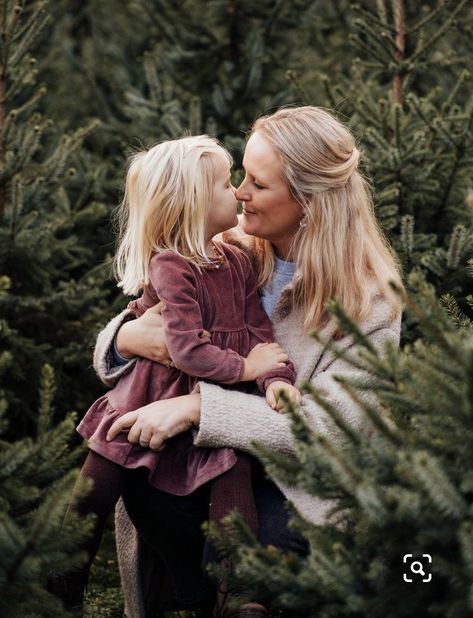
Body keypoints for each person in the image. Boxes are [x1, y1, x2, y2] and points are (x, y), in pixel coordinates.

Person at [95, 106, 404, 618]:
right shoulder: (226, 248)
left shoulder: (368, 302)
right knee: (148, 493)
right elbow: (129, 337)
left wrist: (199, 409)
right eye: (238, 176)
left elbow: (330, 429)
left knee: (268, 544)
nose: (238, 193)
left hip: (295, 484)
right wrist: (126, 339)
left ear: (309, 202)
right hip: (203, 467)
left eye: (257, 184)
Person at [49, 135, 301, 612]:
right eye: (226, 183)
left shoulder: (237, 259)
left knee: (233, 470)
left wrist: (275, 379)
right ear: (193, 204)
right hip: (151, 391)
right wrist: (247, 367)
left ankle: (238, 589)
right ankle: (64, 570)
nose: (238, 192)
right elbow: (184, 350)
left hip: (216, 396)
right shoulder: (171, 266)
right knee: (106, 460)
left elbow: (256, 330)